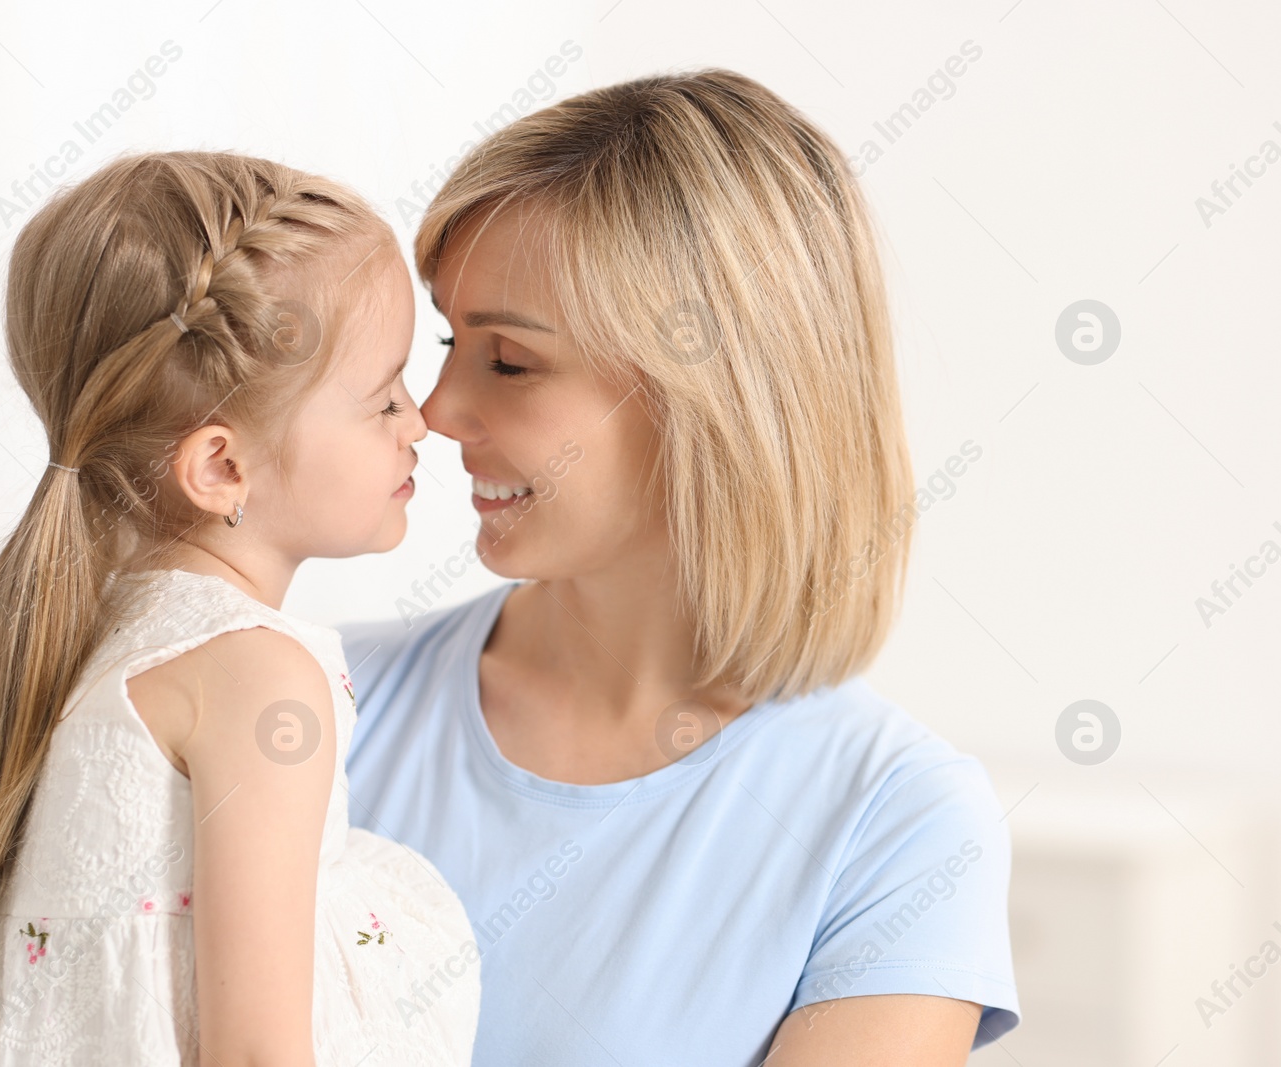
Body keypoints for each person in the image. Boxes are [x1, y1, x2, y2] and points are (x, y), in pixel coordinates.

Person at [339, 69, 1020, 1065]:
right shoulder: (315, 701)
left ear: (712, 394)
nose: (435, 412)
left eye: (509, 361)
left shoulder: (897, 822)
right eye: (449, 340)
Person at [0, 151, 479, 1066]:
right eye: (383, 398)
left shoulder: (109, 628)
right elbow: (256, 1052)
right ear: (222, 467)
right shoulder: (261, 679)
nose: (420, 421)